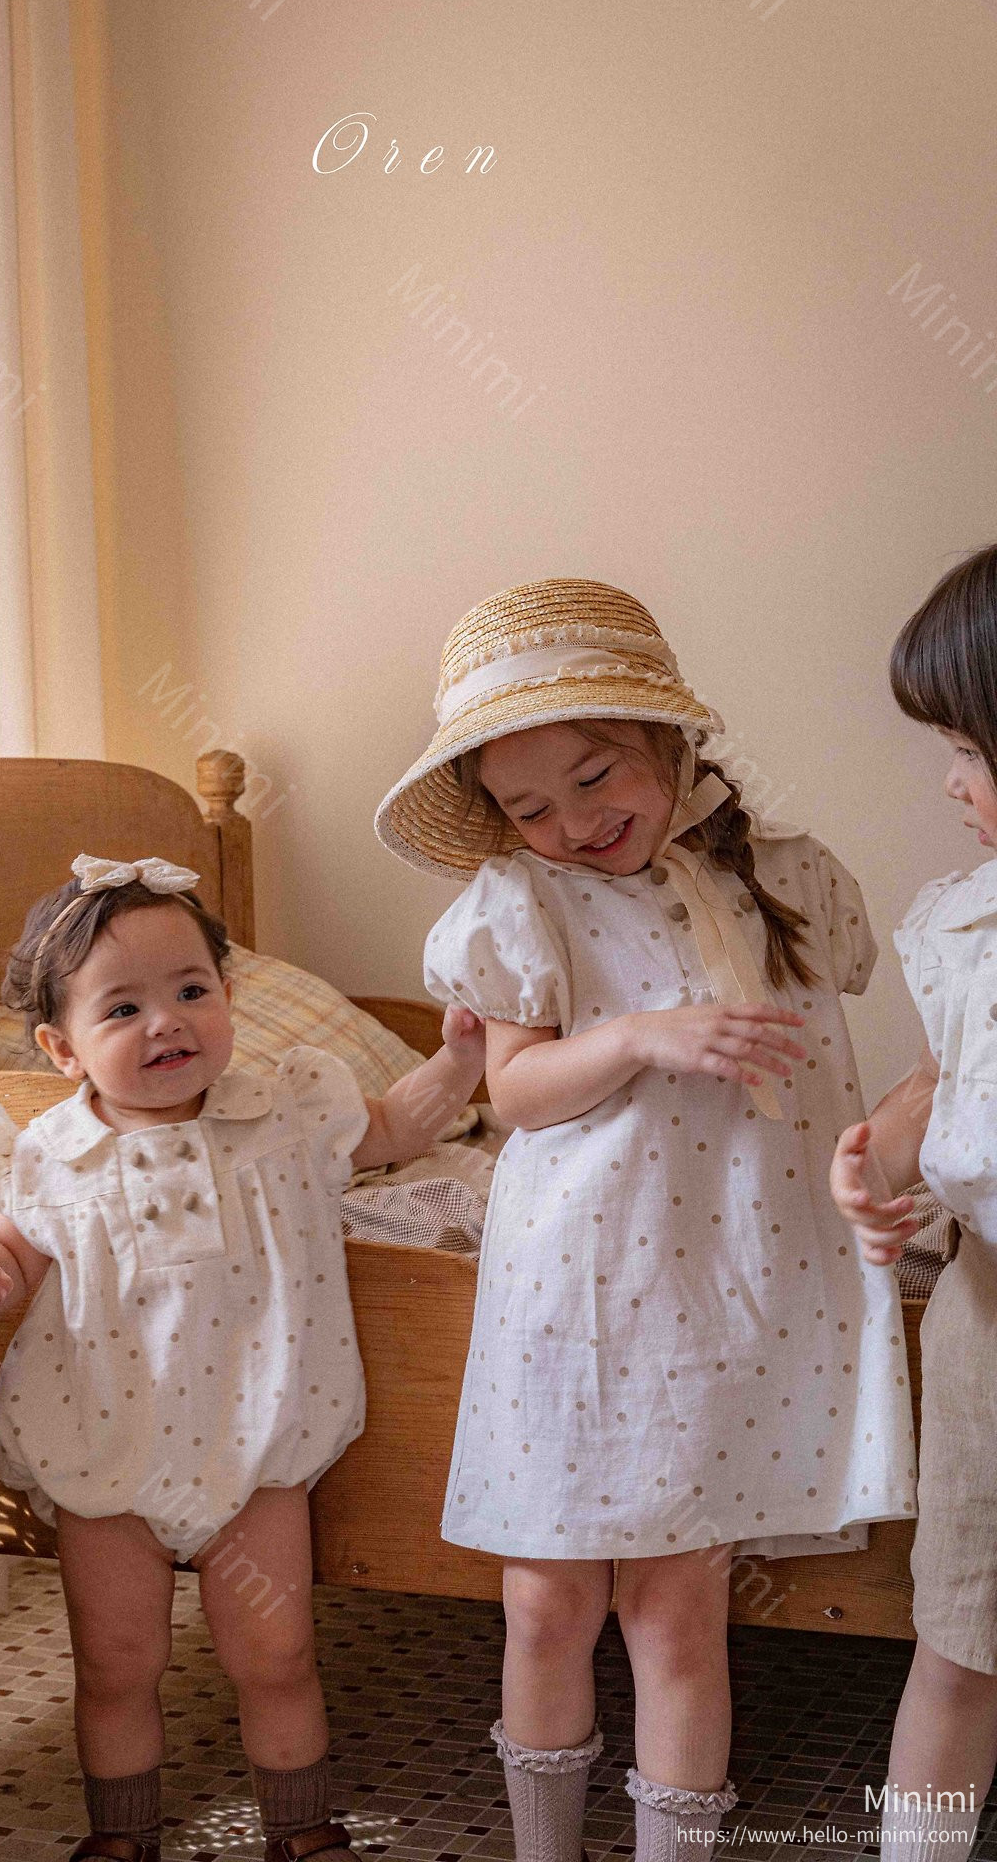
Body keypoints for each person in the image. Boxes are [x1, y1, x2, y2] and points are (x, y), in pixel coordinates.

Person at [376, 577, 917, 1862]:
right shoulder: (523, 901)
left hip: (725, 1280)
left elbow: (848, 985)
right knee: (544, 1603)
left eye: (594, 774)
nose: (572, 822)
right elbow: (512, 1091)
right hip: (573, 1292)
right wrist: (636, 1036)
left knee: (678, 1615)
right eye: (529, 807)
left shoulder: (788, 873)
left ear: (668, 740)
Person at [0, 853, 485, 1862]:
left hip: (252, 1440)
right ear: (62, 1048)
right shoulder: (55, 1155)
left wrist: (459, 1059)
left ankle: (301, 1825)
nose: (166, 1023)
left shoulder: (282, 1114)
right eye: (123, 1009)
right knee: (115, 1662)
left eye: (191, 991)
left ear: (229, 997)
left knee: (276, 1652)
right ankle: (122, 1834)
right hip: (106, 1449)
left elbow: (396, 1128)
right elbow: (14, 1247)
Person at [831, 544, 997, 1862]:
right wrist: (869, 1162)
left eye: (970, 752)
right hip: (990, 1330)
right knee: (959, 1641)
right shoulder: (964, 922)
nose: (951, 781)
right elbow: (945, 1078)